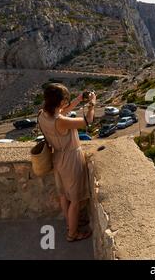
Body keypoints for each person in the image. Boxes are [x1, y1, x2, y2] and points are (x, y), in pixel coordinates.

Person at [38, 83, 96, 242]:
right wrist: (92, 104)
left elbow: (62, 112)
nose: (66, 102)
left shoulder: (42, 115)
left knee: (64, 195)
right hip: (71, 159)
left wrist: (78, 100)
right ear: (61, 101)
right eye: (66, 99)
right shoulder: (61, 121)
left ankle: (70, 223)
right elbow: (87, 120)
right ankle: (72, 234)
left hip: (57, 157)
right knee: (75, 200)